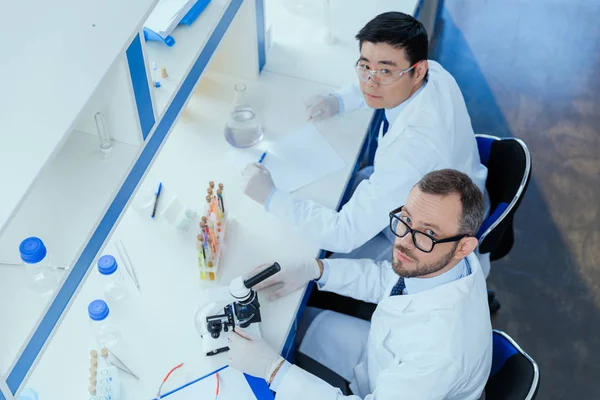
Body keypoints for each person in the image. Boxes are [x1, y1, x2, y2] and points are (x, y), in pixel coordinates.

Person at [241, 12, 490, 274]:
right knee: (350, 185)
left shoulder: (412, 150)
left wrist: (270, 197)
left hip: (435, 240)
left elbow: (343, 234)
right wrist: (339, 101)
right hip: (454, 190)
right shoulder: (434, 74)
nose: (371, 81)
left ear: (418, 71)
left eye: (385, 70)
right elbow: (381, 83)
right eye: (364, 66)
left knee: (320, 261)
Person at [229, 169, 493, 399]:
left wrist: (273, 371)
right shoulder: (447, 258)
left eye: (429, 233)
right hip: (379, 356)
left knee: (266, 364)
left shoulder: (441, 352)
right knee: (290, 327)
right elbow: (386, 280)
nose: (403, 242)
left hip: (396, 384)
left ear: (464, 246)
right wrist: (316, 269)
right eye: (407, 219)